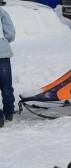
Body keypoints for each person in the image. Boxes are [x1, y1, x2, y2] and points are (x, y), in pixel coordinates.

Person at [0, 0, 15, 128]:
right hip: (2, 55)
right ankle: (9, 112)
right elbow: (10, 34)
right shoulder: (2, 13)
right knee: (6, 86)